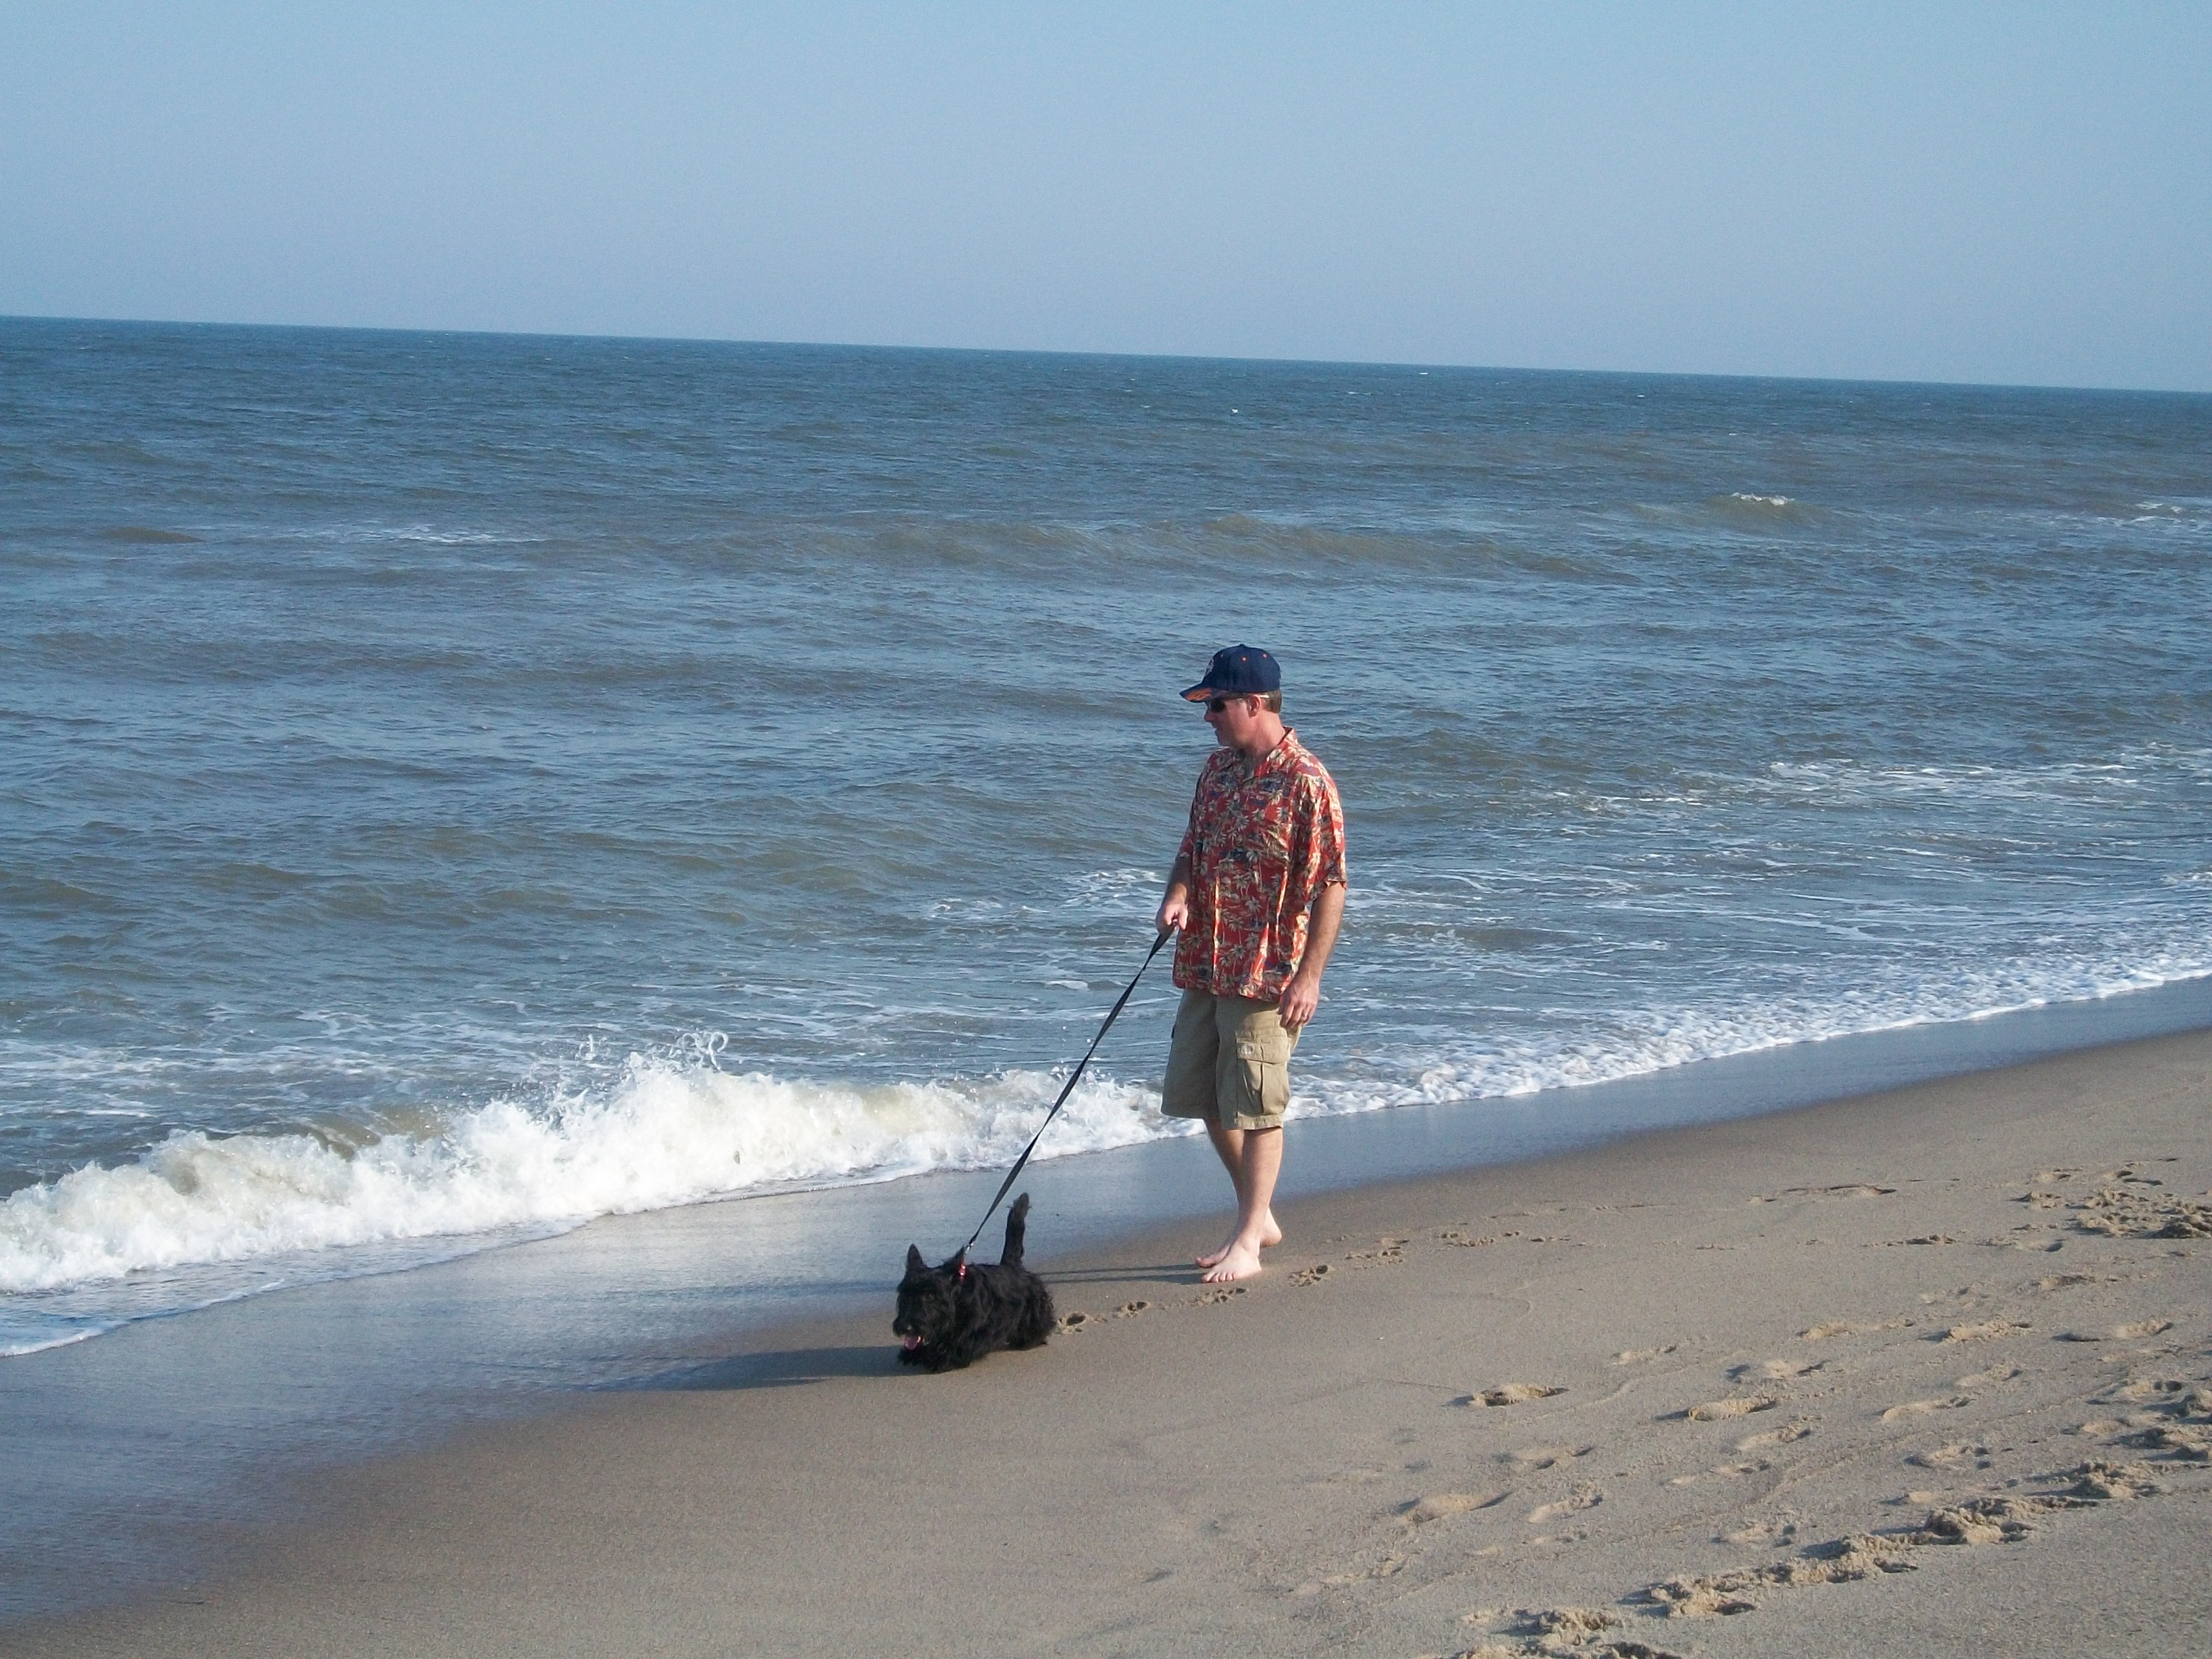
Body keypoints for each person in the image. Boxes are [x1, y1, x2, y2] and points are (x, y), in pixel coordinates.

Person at [1154, 645, 1346, 1283]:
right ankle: (1256, 1215)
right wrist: (1177, 894)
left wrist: (1310, 977)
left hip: (1268, 974)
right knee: (1205, 1096)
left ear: (1253, 704)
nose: (1207, 716)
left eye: (1216, 705)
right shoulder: (1216, 772)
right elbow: (1191, 848)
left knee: (1257, 1106)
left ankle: (1248, 1242)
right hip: (1206, 963)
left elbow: (1331, 886)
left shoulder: (1306, 782)